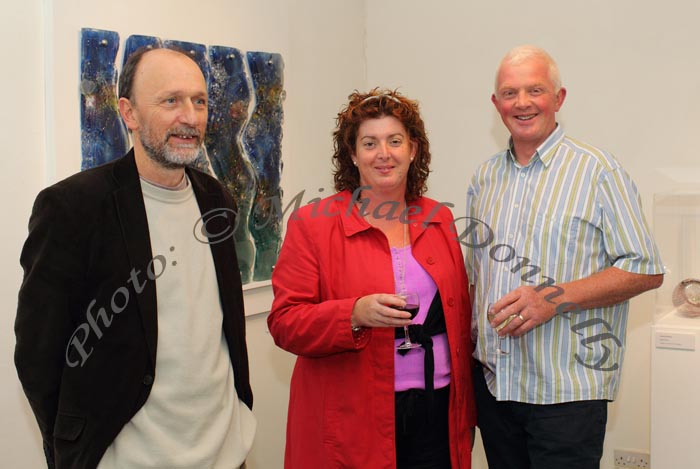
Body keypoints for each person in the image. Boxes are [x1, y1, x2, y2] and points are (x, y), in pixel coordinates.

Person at [15, 47, 255, 469]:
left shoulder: (218, 199)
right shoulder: (73, 207)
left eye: (199, 101)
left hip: (226, 452)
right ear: (129, 113)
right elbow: (40, 354)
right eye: (171, 100)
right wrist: (72, 448)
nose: (191, 116)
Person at [466, 45, 664, 469]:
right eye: (509, 92)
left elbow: (645, 269)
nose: (522, 103)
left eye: (534, 90)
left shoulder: (598, 171)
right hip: (495, 388)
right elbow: (475, 276)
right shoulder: (484, 177)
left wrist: (551, 298)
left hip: (566, 395)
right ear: (495, 103)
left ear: (558, 98)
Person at [268, 88, 476, 469]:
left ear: (413, 150)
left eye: (395, 141)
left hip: (438, 411)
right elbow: (284, 323)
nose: (384, 153)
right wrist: (354, 314)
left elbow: (459, 314)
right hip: (355, 418)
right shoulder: (313, 225)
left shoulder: (440, 219)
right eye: (370, 143)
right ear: (352, 154)